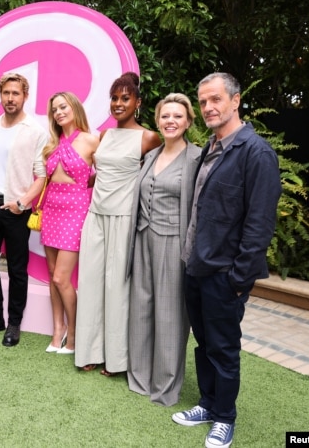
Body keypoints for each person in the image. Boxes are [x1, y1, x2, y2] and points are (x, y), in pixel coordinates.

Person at [172, 73, 281, 448]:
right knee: (204, 343)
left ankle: (225, 417)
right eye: (202, 102)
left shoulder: (256, 153)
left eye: (215, 100)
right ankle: (207, 403)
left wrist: (239, 280)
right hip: (196, 266)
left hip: (224, 275)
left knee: (224, 347)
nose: (208, 108)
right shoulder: (211, 148)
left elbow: (260, 224)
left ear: (235, 101)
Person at [75, 72, 161, 373]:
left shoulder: (149, 137)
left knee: (117, 288)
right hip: (95, 217)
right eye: (114, 98)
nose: (118, 103)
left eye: (125, 98)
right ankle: (89, 352)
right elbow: (100, 174)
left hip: (123, 220)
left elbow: (156, 177)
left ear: (137, 102)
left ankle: (117, 360)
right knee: (90, 283)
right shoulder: (104, 135)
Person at [126, 93, 202, 406]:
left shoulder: (197, 158)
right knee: (141, 310)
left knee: (170, 314)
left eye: (177, 116)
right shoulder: (151, 154)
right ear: (158, 120)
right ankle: (140, 377)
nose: (170, 121)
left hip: (174, 242)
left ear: (188, 122)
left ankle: (165, 386)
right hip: (143, 238)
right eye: (165, 116)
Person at [0, 73, 48, 347]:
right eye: (6, 93)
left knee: (17, 268)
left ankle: (14, 322)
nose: (10, 98)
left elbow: (41, 175)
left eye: (16, 93)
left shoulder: (36, 130)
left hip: (16, 209)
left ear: (25, 95)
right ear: (0, 95)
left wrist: (22, 203)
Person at [41, 92, 99, 355]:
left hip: (76, 210)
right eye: (54, 110)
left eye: (63, 107)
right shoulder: (53, 142)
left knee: (61, 277)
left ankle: (74, 336)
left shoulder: (91, 140)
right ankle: (57, 330)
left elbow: (106, 174)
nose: (59, 112)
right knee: (53, 278)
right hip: (51, 207)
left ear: (74, 107)